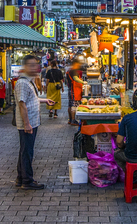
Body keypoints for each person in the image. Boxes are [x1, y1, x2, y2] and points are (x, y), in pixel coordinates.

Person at [14, 55, 56, 190]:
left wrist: (45, 100)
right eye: (31, 65)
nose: (35, 68)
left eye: (35, 65)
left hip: (32, 121)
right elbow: (22, 104)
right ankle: (27, 180)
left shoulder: (29, 81)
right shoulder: (22, 83)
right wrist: (27, 124)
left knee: (25, 150)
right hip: (28, 123)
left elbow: (31, 99)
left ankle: (21, 178)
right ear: (25, 67)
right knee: (27, 152)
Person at [65, 57, 84, 125]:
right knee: (74, 104)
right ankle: (73, 120)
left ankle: (70, 119)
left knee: (70, 104)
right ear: (75, 64)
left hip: (70, 89)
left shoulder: (69, 70)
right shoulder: (74, 71)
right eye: (78, 64)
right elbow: (75, 78)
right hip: (74, 90)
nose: (79, 66)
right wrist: (83, 82)